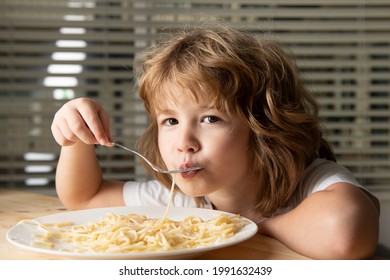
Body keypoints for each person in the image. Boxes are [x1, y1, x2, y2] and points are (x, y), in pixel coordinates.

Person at [51, 26, 380, 259]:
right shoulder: (179, 201)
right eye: (170, 121)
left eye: (210, 119)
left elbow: (345, 232)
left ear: (264, 127)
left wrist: (254, 226)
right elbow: (84, 197)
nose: (184, 143)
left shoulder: (313, 182)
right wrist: (76, 140)